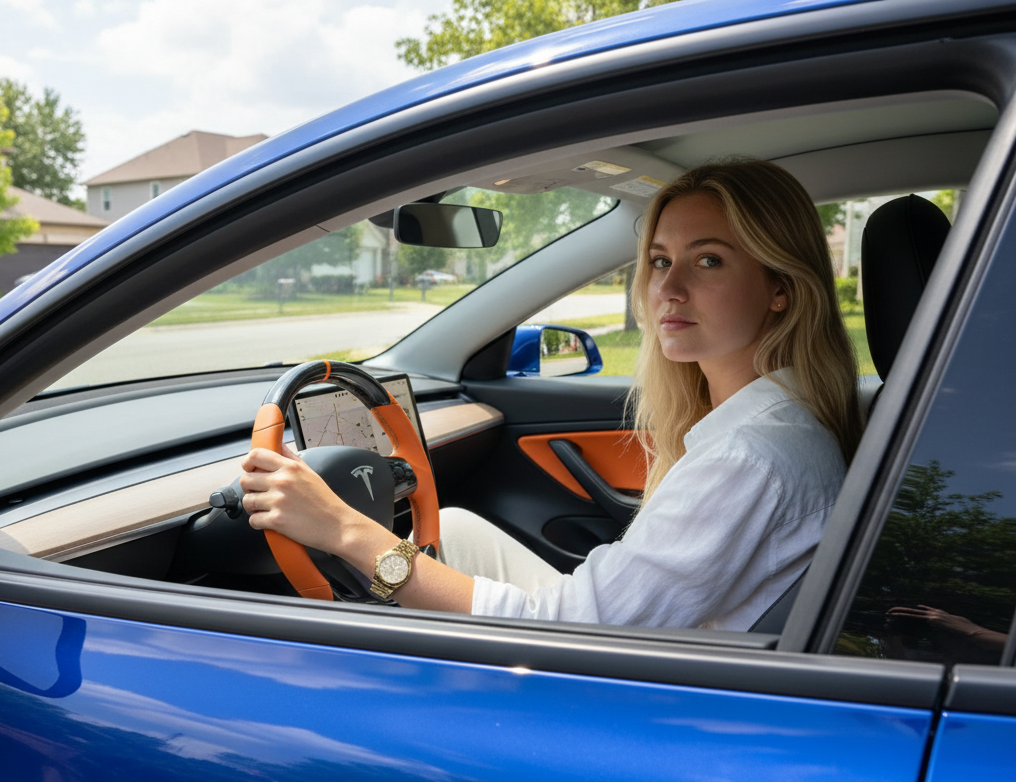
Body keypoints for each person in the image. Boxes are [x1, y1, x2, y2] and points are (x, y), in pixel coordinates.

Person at [240, 158, 863, 630]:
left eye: (708, 262)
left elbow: (567, 629)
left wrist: (345, 530)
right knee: (450, 528)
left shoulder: (748, 458)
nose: (667, 289)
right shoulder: (775, 418)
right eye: (659, 260)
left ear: (779, 287)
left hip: (628, 697)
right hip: (661, 658)